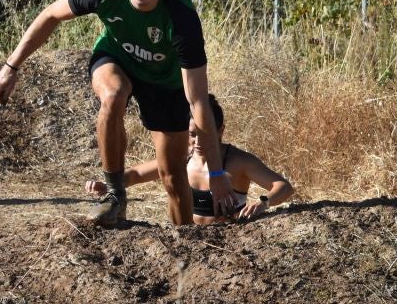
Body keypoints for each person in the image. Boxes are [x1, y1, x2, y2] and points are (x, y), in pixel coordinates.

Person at [0, 0, 238, 227]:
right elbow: (50, 15)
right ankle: (115, 195)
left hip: (165, 83)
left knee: (172, 176)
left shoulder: (181, 17)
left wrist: (218, 174)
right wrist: (11, 67)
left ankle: (185, 244)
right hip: (116, 60)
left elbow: (197, 100)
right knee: (113, 94)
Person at [86, 96, 296, 224]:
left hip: (230, 242)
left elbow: (284, 186)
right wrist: (110, 185)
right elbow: (136, 174)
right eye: (192, 134)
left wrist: (262, 203)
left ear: (220, 131)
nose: (198, 141)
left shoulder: (238, 162)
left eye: (206, 134)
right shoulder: (179, 160)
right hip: (187, 242)